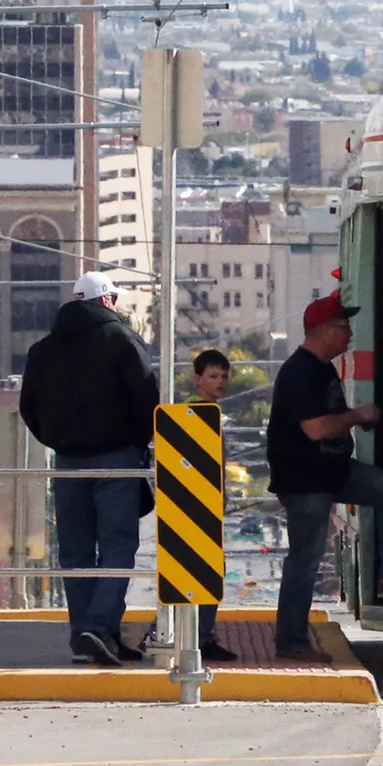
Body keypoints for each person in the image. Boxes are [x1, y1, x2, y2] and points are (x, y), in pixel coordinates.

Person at [20, 270, 157, 667]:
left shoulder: (43, 350)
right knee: (116, 544)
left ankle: (88, 633)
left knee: (76, 550)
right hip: (117, 458)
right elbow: (146, 397)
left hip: (68, 461)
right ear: (107, 301)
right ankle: (99, 627)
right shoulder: (122, 340)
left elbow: (29, 406)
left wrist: (58, 440)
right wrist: (135, 440)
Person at [267, 291, 383, 662]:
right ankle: (291, 641)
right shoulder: (300, 371)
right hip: (305, 480)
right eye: (343, 327)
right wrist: (357, 416)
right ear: (321, 330)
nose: (349, 335)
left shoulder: (322, 368)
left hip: (333, 471)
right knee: (305, 558)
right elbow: (315, 429)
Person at [189, 349, 240, 663]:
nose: (220, 382)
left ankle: (186, 632)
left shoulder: (208, 410)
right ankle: (202, 637)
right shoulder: (200, 412)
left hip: (204, 505)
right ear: (198, 378)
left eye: (224, 376)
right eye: (213, 376)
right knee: (207, 573)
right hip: (199, 508)